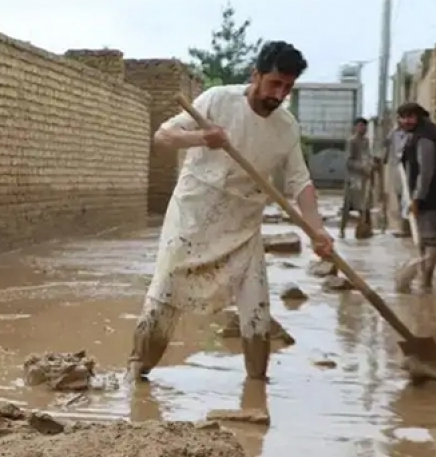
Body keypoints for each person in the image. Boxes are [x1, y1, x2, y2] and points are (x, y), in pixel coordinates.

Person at [127, 41, 334, 382]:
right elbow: (163, 136)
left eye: (287, 87)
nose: (279, 94)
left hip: (243, 222)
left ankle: (257, 386)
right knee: (165, 294)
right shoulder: (218, 100)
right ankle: (137, 374)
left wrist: (317, 230)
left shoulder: (286, 127)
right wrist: (203, 138)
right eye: (274, 84)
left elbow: (301, 183)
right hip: (194, 215)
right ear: (256, 75)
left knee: (256, 307)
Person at [396, 102, 436, 290]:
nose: (406, 121)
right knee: (422, 240)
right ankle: (424, 280)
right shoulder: (414, 136)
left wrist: (417, 198)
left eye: (410, 117)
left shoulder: (425, 138)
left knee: (431, 240)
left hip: (434, 197)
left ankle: (426, 282)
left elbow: (426, 170)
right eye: (402, 117)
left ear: (419, 117)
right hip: (421, 196)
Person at [342, 117, 373, 238]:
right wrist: (361, 167)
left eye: (364, 126)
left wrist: (370, 166)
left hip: (365, 178)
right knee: (349, 205)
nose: (363, 128)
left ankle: (367, 230)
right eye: (360, 126)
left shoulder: (366, 141)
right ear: (355, 127)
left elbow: (367, 156)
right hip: (354, 179)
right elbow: (348, 161)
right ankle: (343, 230)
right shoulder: (352, 141)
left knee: (366, 205)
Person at [381, 121, 412, 236]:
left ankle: (410, 228)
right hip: (397, 169)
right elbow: (386, 145)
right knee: (400, 197)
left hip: (409, 169)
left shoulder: (412, 134)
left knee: (409, 198)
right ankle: (404, 227)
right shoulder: (394, 133)